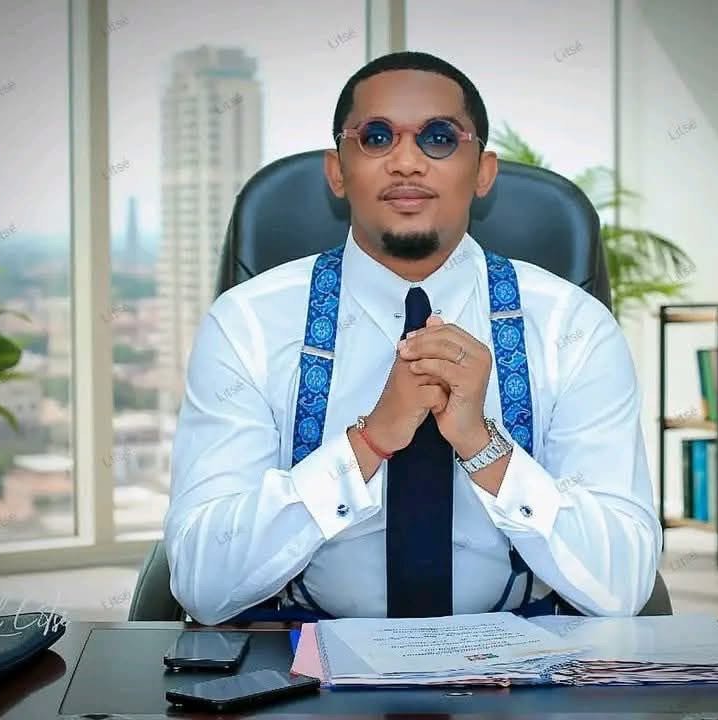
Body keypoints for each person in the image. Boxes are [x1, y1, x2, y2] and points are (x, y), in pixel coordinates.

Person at [164, 51, 662, 626]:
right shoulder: (248, 323)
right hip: (300, 656)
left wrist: (483, 446)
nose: (406, 162)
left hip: (526, 658)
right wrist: (368, 443)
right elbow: (202, 580)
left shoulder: (571, 327)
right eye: (376, 137)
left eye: (439, 138)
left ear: (483, 171)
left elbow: (623, 584)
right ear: (337, 170)